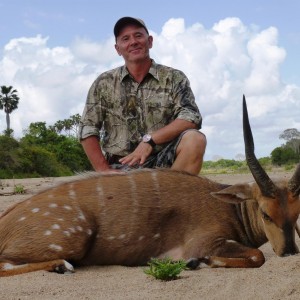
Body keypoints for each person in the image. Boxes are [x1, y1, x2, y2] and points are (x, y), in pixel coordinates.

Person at [79, 17, 206, 175]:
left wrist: (150, 140)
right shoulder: (104, 82)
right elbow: (87, 128)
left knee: (195, 140)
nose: (133, 42)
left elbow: (191, 117)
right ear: (118, 49)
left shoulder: (174, 77)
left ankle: (172, 196)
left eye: (138, 35)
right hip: (120, 166)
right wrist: (103, 171)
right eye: (125, 38)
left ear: (150, 41)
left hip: (164, 162)